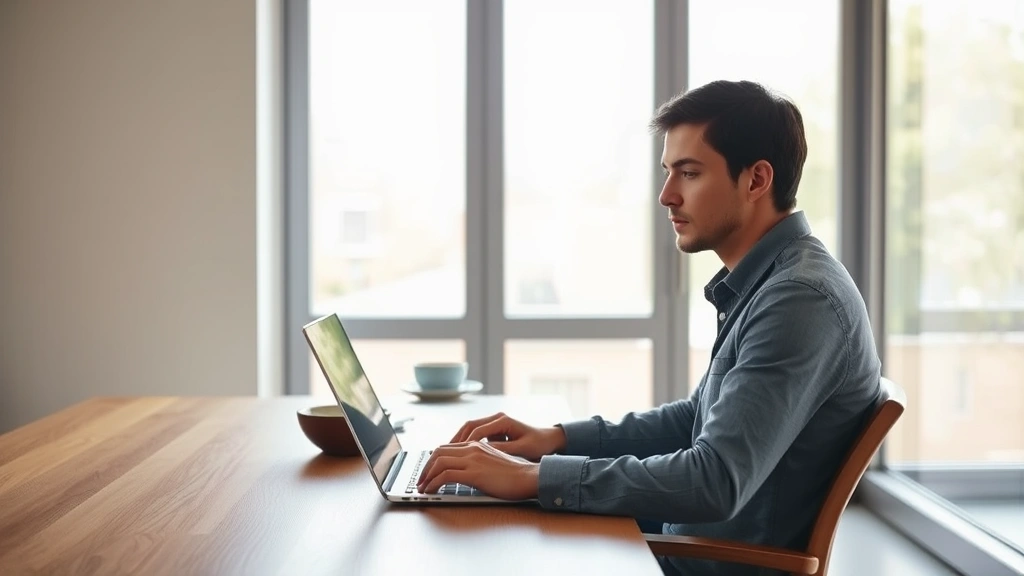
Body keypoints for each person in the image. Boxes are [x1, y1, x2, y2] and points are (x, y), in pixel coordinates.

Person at [416, 80, 882, 576]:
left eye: (689, 173)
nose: (666, 195)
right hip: (678, 545)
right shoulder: (771, 282)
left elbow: (715, 480)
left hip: (699, 564)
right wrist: (552, 441)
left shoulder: (799, 300)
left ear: (756, 180)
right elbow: (694, 420)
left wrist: (534, 478)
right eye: (668, 172)